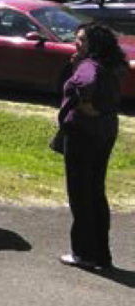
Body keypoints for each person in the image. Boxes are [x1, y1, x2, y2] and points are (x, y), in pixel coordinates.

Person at [57, 22, 124, 271]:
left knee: (81, 195)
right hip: (105, 130)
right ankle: (101, 255)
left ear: (94, 44)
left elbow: (86, 83)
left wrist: (85, 103)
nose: (77, 43)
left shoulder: (89, 66)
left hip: (82, 133)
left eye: (82, 40)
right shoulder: (112, 64)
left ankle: (83, 253)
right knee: (96, 191)